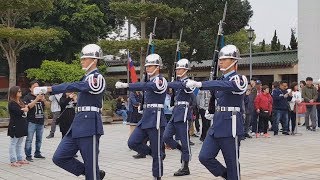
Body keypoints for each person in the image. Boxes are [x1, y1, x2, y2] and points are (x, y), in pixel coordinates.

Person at [33, 44, 106, 179]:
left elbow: (78, 86)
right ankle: (93, 173)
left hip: (90, 123)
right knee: (59, 157)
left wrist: (50, 88)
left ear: (94, 60)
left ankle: (92, 173)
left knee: (91, 164)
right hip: (78, 123)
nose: (81, 61)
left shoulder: (97, 77)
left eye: (85, 58)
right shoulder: (86, 78)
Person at [186, 45, 248, 180]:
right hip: (217, 124)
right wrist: (211, 110)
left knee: (232, 162)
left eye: (224, 59)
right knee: (205, 157)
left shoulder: (239, 79)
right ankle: (229, 176)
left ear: (234, 61)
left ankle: (232, 175)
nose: (220, 62)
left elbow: (227, 86)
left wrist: (200, 84)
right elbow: (216, 94)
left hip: (230, 125)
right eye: (220, 59)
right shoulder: (220, 80)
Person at [116, 53, 168, 180]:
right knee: (132, 142)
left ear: (158, 67)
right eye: (147, 66)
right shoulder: (149, 80)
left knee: (156, 151)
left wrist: (127, 85)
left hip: (156, 118)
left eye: (151, 66)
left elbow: (148, 86)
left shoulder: (161, 80)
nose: (148, 68)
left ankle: (157, 176)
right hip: (146, 117)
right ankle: (155, 154)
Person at [163, 58, 194, 176]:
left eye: (180, 68)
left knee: (184, 140)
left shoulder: (188, 82)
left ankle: (185, 167)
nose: (177, 70)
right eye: (177, 69)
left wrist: (166, 83)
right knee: (166, 137)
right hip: (175, 112)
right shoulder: (178, 82)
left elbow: (190, 94)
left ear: (186, 70)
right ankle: (181, 150)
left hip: (184, 114)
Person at [23, 80, 48, 162]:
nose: (36, 88)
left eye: (38, 87)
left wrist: (44, 100)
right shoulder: (27, 97)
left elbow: (48, 106)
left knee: (39, 139)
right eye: (34, 87)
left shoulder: (41, 96)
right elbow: (28, 107)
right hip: (31, 121)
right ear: (30, 88)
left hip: (40, 121)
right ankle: (28, 155)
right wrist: (36, 99)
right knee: (29, 139)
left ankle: (37, 153)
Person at [7, 86, 29, 167]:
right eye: (18, 91)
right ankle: (13, 160)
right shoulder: (12, 103)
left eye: (20, 91)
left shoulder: (20, 101)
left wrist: (25, 108)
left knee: (19, 143)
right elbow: (18, 112)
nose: (20, 92)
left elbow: (24, 108)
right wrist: (24, 109)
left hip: (22, 124)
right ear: (14, 93)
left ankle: (20, 158)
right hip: (15, 125)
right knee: (13, 143)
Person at [127, 91, 145, 159]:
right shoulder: (132, 93)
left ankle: (140, 147)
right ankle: (131, 143)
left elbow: (141, 102)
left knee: (140, 129)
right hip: (133, 113)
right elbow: (134, 103)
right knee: (132, 129)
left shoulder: (140, 94)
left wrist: (139, 104)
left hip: (140, 113)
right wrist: (139, 104)